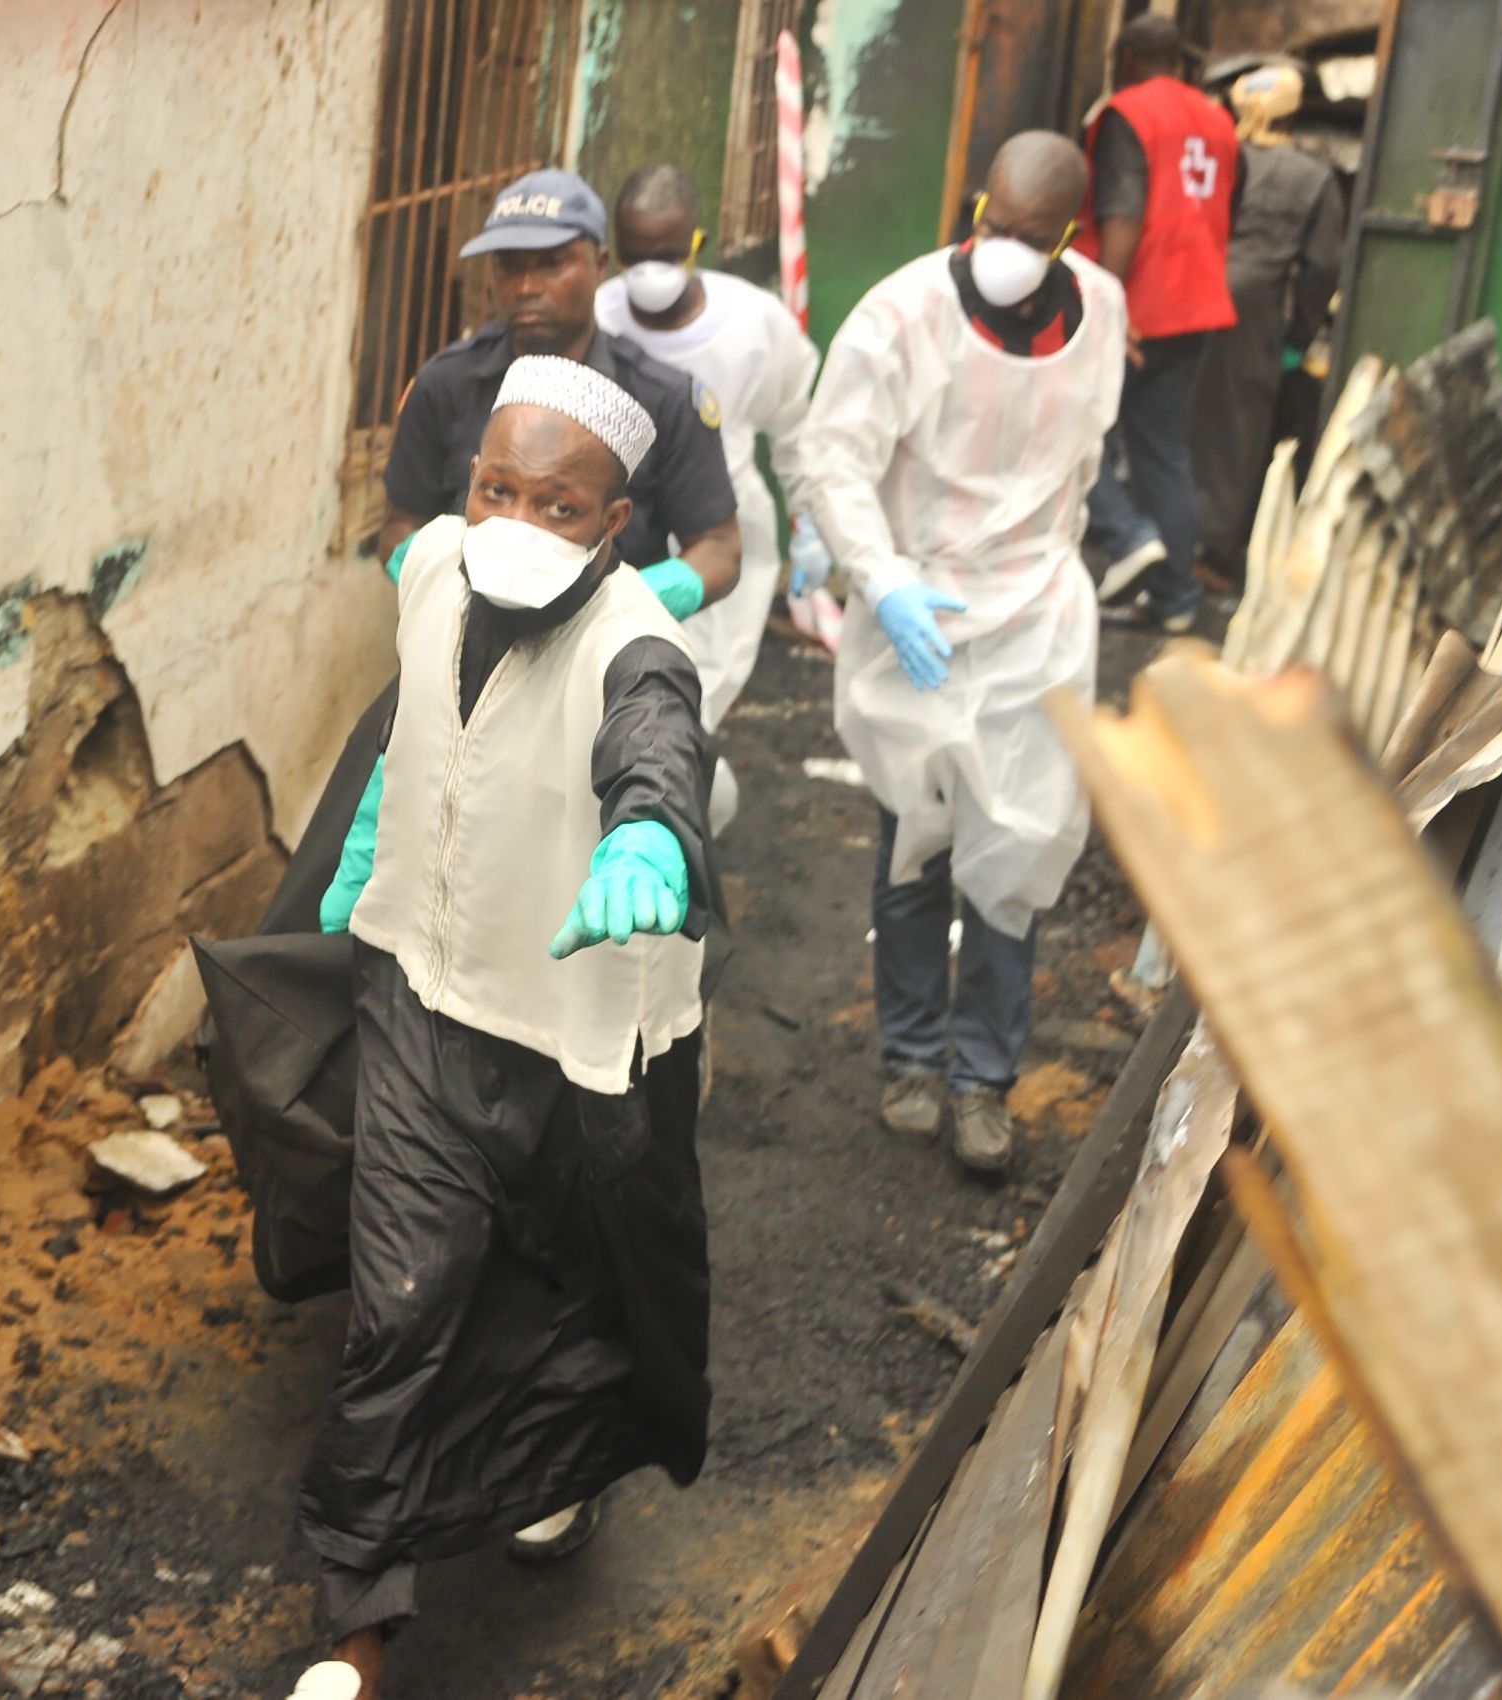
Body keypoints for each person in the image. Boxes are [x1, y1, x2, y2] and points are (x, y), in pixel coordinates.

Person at [286, 357, 715, 1700]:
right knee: (398, 1308)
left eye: (556, 503)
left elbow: (656, 735)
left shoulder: (640, 637)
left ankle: (557, 1471)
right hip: (422, 999)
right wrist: (361, 872)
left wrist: (650, 832)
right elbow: (403, 739)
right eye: (494, 488)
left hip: (584, 1042)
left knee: (571, 1287)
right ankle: (355, 1635)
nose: (516, 520)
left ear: (614, 522)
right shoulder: (429, 572)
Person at [798, 132, 1126, 1178]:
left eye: (1034, 238)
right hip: (923, 612)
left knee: (1017, 853)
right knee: (916, 838)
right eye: (997, 228)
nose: (1009, 252)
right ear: (973, 209)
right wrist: (882, 580)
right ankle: (909, 1056)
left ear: (1069, 235)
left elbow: (1084, 455)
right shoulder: (901, 316)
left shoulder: (1103, 312)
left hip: (1036, 622)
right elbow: (833, 457)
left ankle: (982, 1079)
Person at [379, 168, 742, 620]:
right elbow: (400, 522)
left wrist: (633, 604)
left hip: (605, 659)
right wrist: (432, 576)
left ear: (600, 264)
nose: (528, 287)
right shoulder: (445, 384)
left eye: (552, 264)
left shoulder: (663, 399)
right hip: (466, 639)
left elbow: (719, 546)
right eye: (509, 267)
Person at [597, 163, 827, 831]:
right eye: (634, 256)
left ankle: (661, 833)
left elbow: (795, 432)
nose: (648, 272)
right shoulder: (597, 314)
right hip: (622, 531)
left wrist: (808, 522)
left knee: (692, 692)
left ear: (697, 242)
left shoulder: (757, 325)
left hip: (723, 534)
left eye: (665, 255)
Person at [1078, 13, 1238, 634]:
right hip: (1198, 304)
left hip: (1140, 307)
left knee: (1073, 426)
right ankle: (1174, 600)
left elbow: (1121, 212)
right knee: (1163, 451)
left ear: (1125, 58)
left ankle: (1127, 537)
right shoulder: (1219, 120)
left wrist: (1109, 305)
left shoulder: (1128, 113)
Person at [1192, 62, 1344, 575]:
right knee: (1236, 429)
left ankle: (1159, 539)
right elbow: (1322, 266)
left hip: (1189, 294)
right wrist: (1296, 338)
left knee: (1176, 414)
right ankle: (1213, 557)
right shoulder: (1314, 176)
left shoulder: (1215, 157)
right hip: (1251, 313)